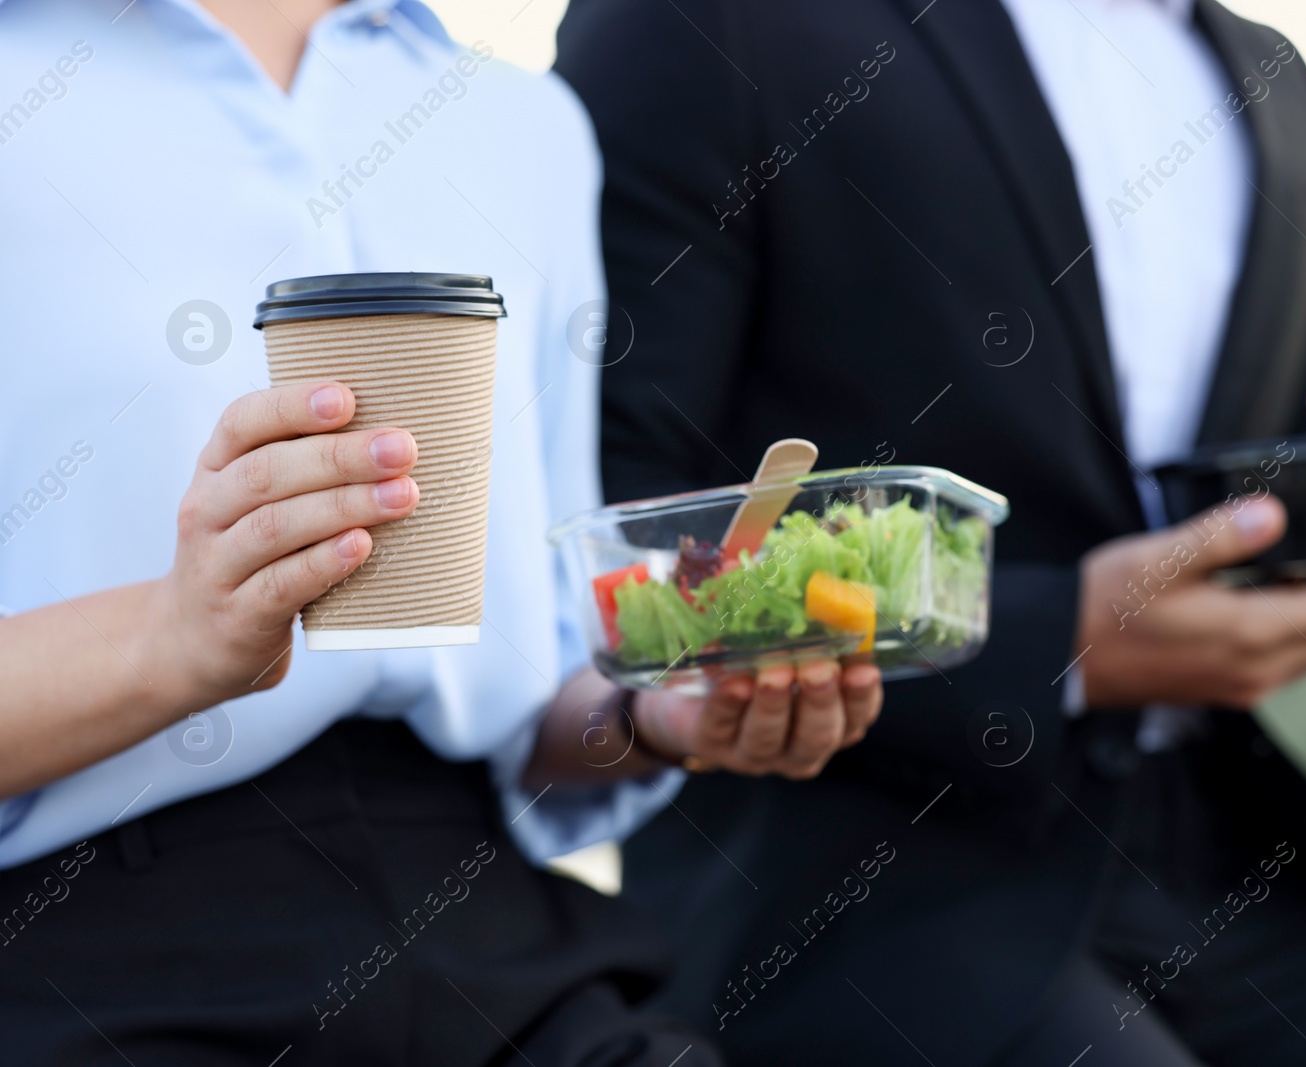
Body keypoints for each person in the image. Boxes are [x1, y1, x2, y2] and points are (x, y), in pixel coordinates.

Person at [555, 0, 1306, 1063]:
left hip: (1220, 856)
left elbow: (1258, 481)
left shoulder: (1271, 78)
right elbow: (609, 516)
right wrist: (1055, 642)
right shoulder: (710, 20)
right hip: (846, 874)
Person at [0, 1, 881, 1063]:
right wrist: (168, 636)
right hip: (82, 946)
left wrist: (661, 712)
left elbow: (538, 708)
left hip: (483, 920)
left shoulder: (524, 126)